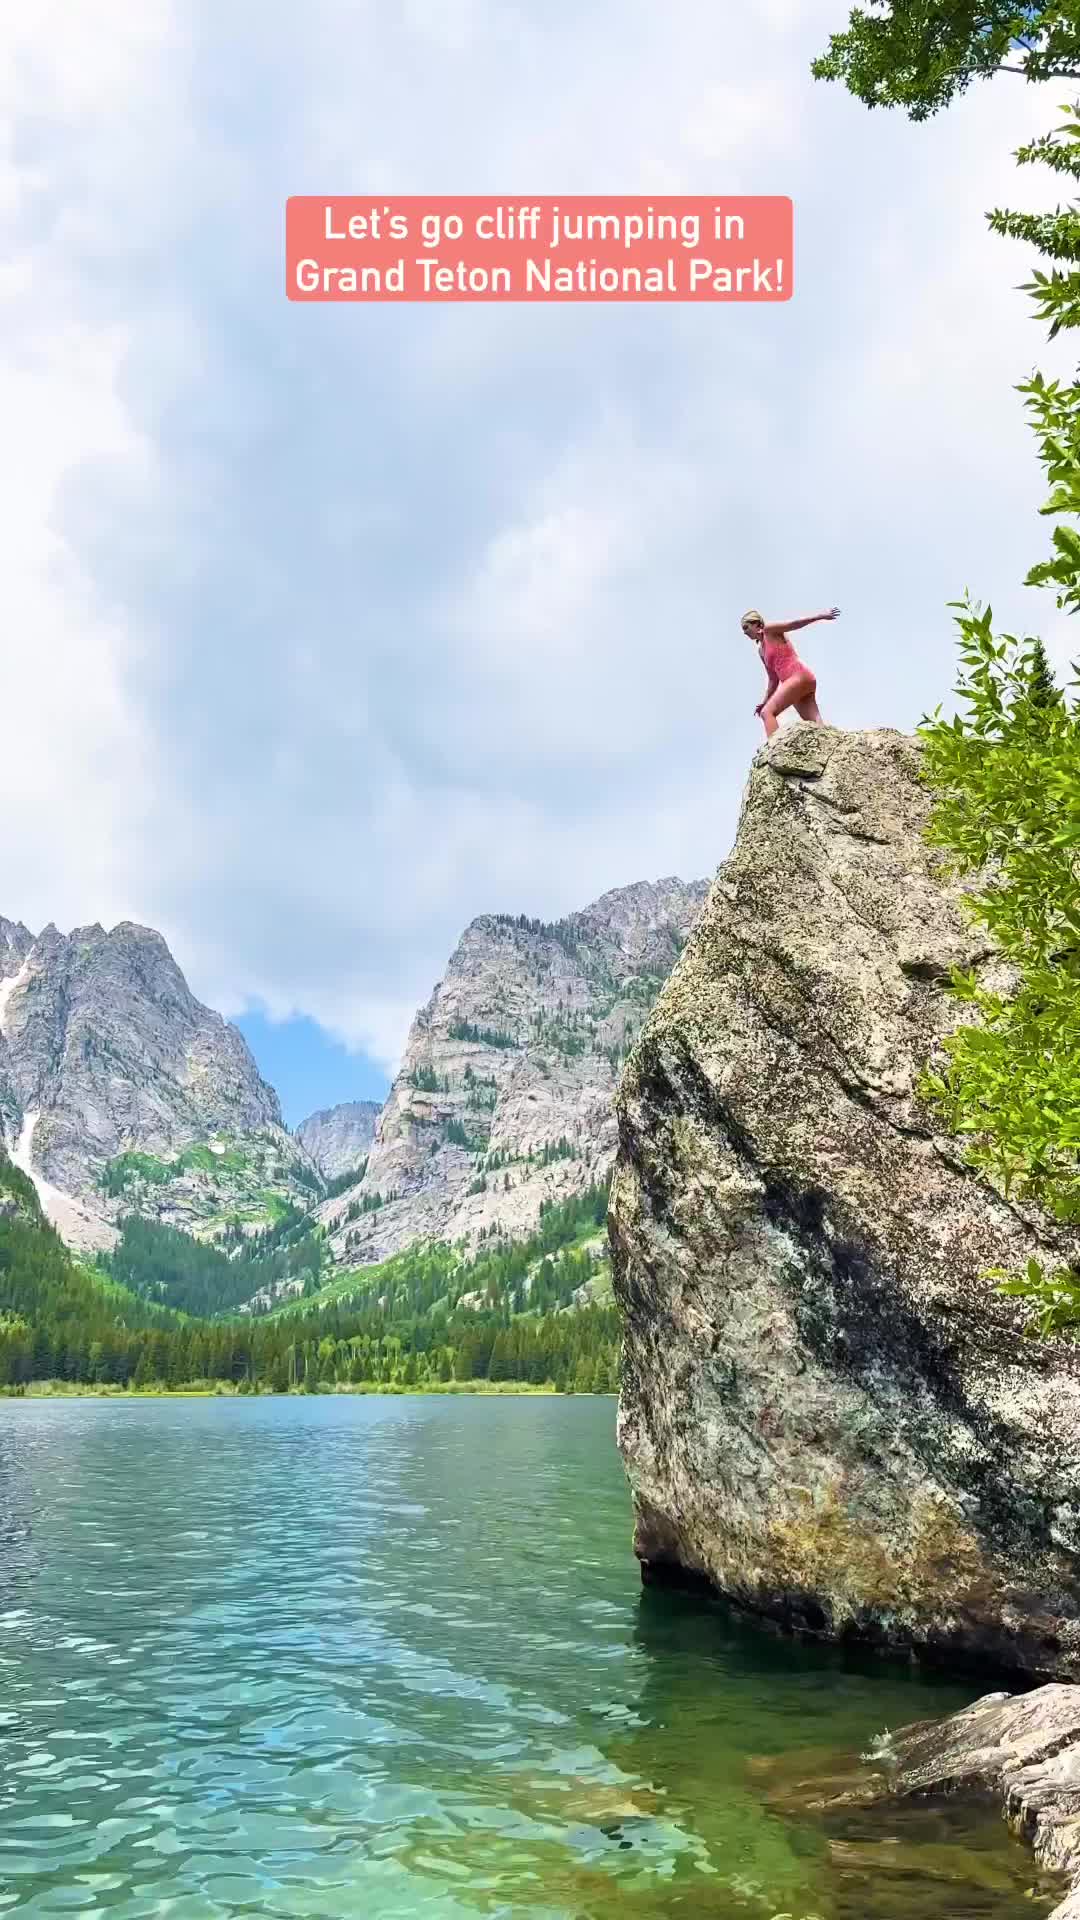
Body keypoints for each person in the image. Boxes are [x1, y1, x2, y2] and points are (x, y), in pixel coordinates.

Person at [741, 606, 840, 738]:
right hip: (797, 685)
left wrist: (820, 616)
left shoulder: (769, 630)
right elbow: (773, 680)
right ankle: (831, 745)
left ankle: (774, 752)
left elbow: (793, 624)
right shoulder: (761, 651)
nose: (745, 632)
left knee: (767, 713)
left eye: (746, 627)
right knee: (817, 726)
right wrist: (764, 701)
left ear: (756, 624)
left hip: (798, 676)